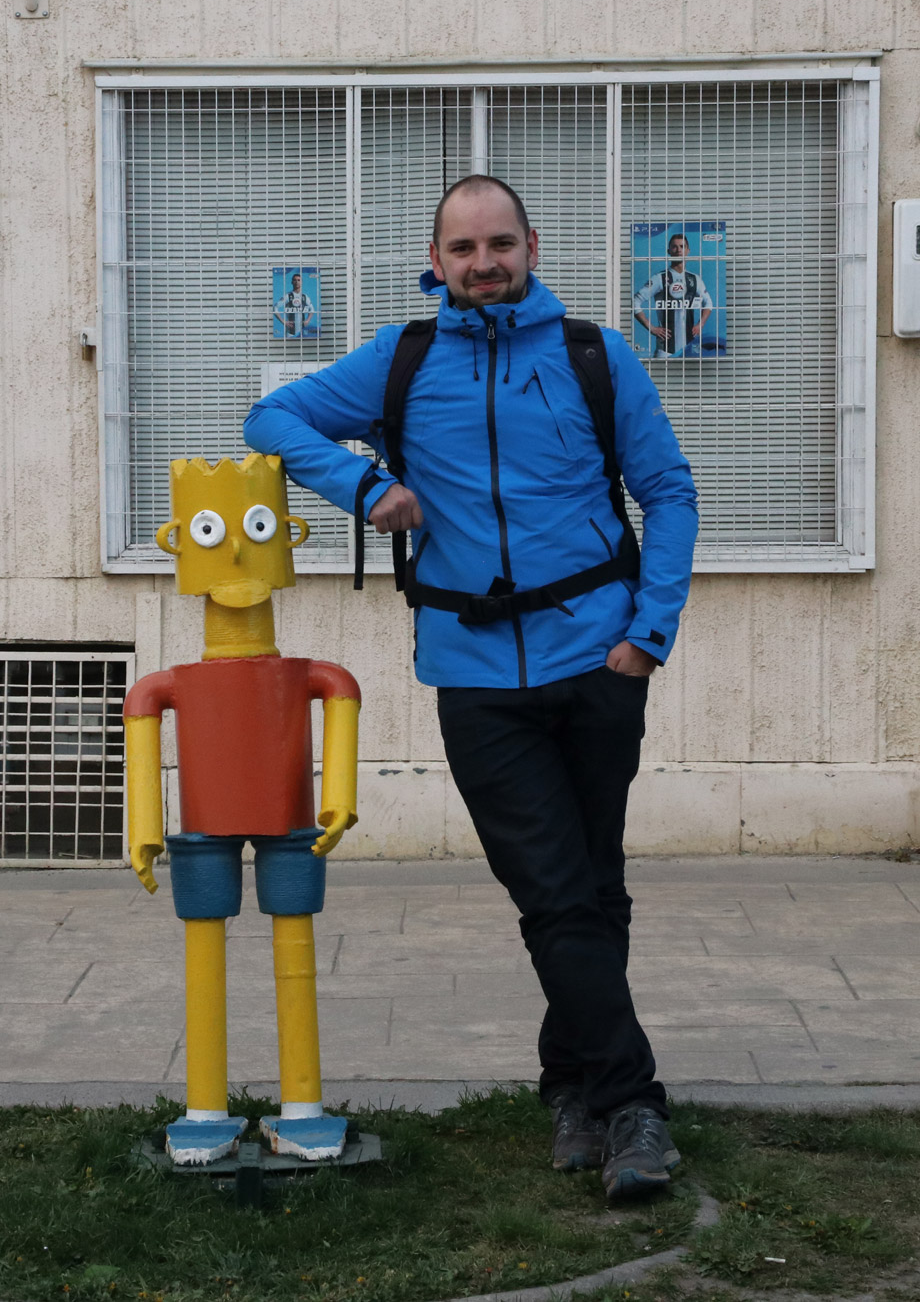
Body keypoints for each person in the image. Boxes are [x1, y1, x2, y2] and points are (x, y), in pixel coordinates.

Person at [244, 175, 700, 1202]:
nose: (482, 262)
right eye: (462, 247)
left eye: (499, 243)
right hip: (474, 673)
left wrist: (647, 633)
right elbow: (268, 417)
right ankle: (635, 1108)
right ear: (436, 259)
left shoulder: (594, 355)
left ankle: (572, 1091)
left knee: (590, 883)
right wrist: (364, 486)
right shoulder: (402, 362)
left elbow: (666, 490)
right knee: (552, 890)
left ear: (529, 246)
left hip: (598, 659)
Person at [631, 232, 709, 358]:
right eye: (674, 247)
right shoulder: (659, 278)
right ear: (669, 251)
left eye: (682, 246)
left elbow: (708, 303)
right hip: (665, 351)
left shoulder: (695, 279)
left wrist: (700, 324)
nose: (678, 250)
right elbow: (636, 301)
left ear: (688, 250)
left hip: (689, 349)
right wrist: (651, 328)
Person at [278, 270, 317, 338]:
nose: (297, 282)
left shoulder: (304, 297)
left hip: (302, 331)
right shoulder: (287, 296)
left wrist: (307, 320)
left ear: (301, 282)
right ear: (292, 282)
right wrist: (283, 321)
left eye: (299, 280)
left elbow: (312, 309)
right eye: (295, 280)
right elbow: (275, 308)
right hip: (290, 332)